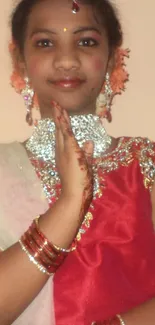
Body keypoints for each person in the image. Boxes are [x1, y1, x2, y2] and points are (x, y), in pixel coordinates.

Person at [0, 0, 155, 324]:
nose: (67, 60)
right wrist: (70, 203)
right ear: (20, 60)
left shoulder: (145, 164)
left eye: (86, 42)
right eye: (45, 43)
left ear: (111, 57)